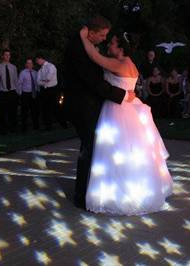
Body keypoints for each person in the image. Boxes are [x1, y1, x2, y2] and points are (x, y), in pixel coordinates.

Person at [80, 27, 173, 215]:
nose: (109, 44)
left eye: (112, 43)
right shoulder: (130, 63)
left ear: (121, 48)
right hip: (130, 107)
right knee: (128, 150)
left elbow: (94, 57)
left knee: (114, 150)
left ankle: (116, 191)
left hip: (117, 109)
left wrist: (84, 38)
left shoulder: (120, 64)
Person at [63, 15, 136, 210]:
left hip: (98, 107)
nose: (104, 39)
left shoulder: (83, 43)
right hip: (83, 106)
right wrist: (122, 94)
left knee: (96, 149)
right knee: (89, 149)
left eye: (108, 37)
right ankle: (82, 196)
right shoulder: (78, 47)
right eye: (102, 35)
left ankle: (90, 191)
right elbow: (94, 82)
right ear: (92, 32)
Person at [0, 49, 19, 134]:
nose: (7, 56)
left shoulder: (13, 67)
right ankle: (2, 129)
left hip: (12, 91)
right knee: (2, 112)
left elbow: (16, 80)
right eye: (6, 55)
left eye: (9, 55)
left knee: (13, 111)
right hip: (3, 92)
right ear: (2, 56)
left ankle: (13, 128)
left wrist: (17, 92)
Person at [36, 55, 59, 131]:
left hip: (52, 90)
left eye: (37, 60)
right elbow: (38, 82)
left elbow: (48, 78)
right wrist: (44, 81)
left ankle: (55, 123)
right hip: (44, 90)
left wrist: (43, 81)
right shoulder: (40, 70)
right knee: (45, 108)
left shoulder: (51, 66)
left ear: (41, 59)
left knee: (51, 107)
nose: (37, 62)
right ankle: (47, 125)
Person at [17, 58, 40, 132]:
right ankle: (24, 128)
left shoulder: (35, 73)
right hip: (25, 94)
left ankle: (36, 127)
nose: (29, 64)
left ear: (33, 65)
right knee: (24, 112)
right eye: (28, 63)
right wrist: (20, 94)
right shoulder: (23, 73)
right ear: (26, 64)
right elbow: (19, 84)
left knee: (35, 111)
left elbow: (37, 84)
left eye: (31, 63)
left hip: (34, 94)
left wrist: (38, 92)